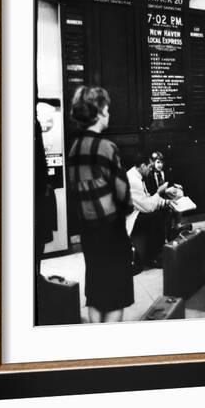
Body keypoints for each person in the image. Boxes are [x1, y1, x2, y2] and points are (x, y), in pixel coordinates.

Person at [67, 86, 134, 323]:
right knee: (116, 295)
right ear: (99, 112)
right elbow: (123, 193)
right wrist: (126, 209)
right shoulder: (106, 148)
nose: (109, 113)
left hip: (88, 230)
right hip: (111, 231)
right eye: (106, 109)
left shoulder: (74, 148)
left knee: (96, 291)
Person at [126, 156, 170, 268]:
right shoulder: (133, 180)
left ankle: (163, 249)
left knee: (163, 210)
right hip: (130, 218)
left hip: (137, 210)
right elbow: (147, 207)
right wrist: (159, 193)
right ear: (142, 166)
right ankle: (155, 257)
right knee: (156, 216)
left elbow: (146, 198)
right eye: (149, 167)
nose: (151, 169)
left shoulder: (136, 174)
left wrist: (165, 202)